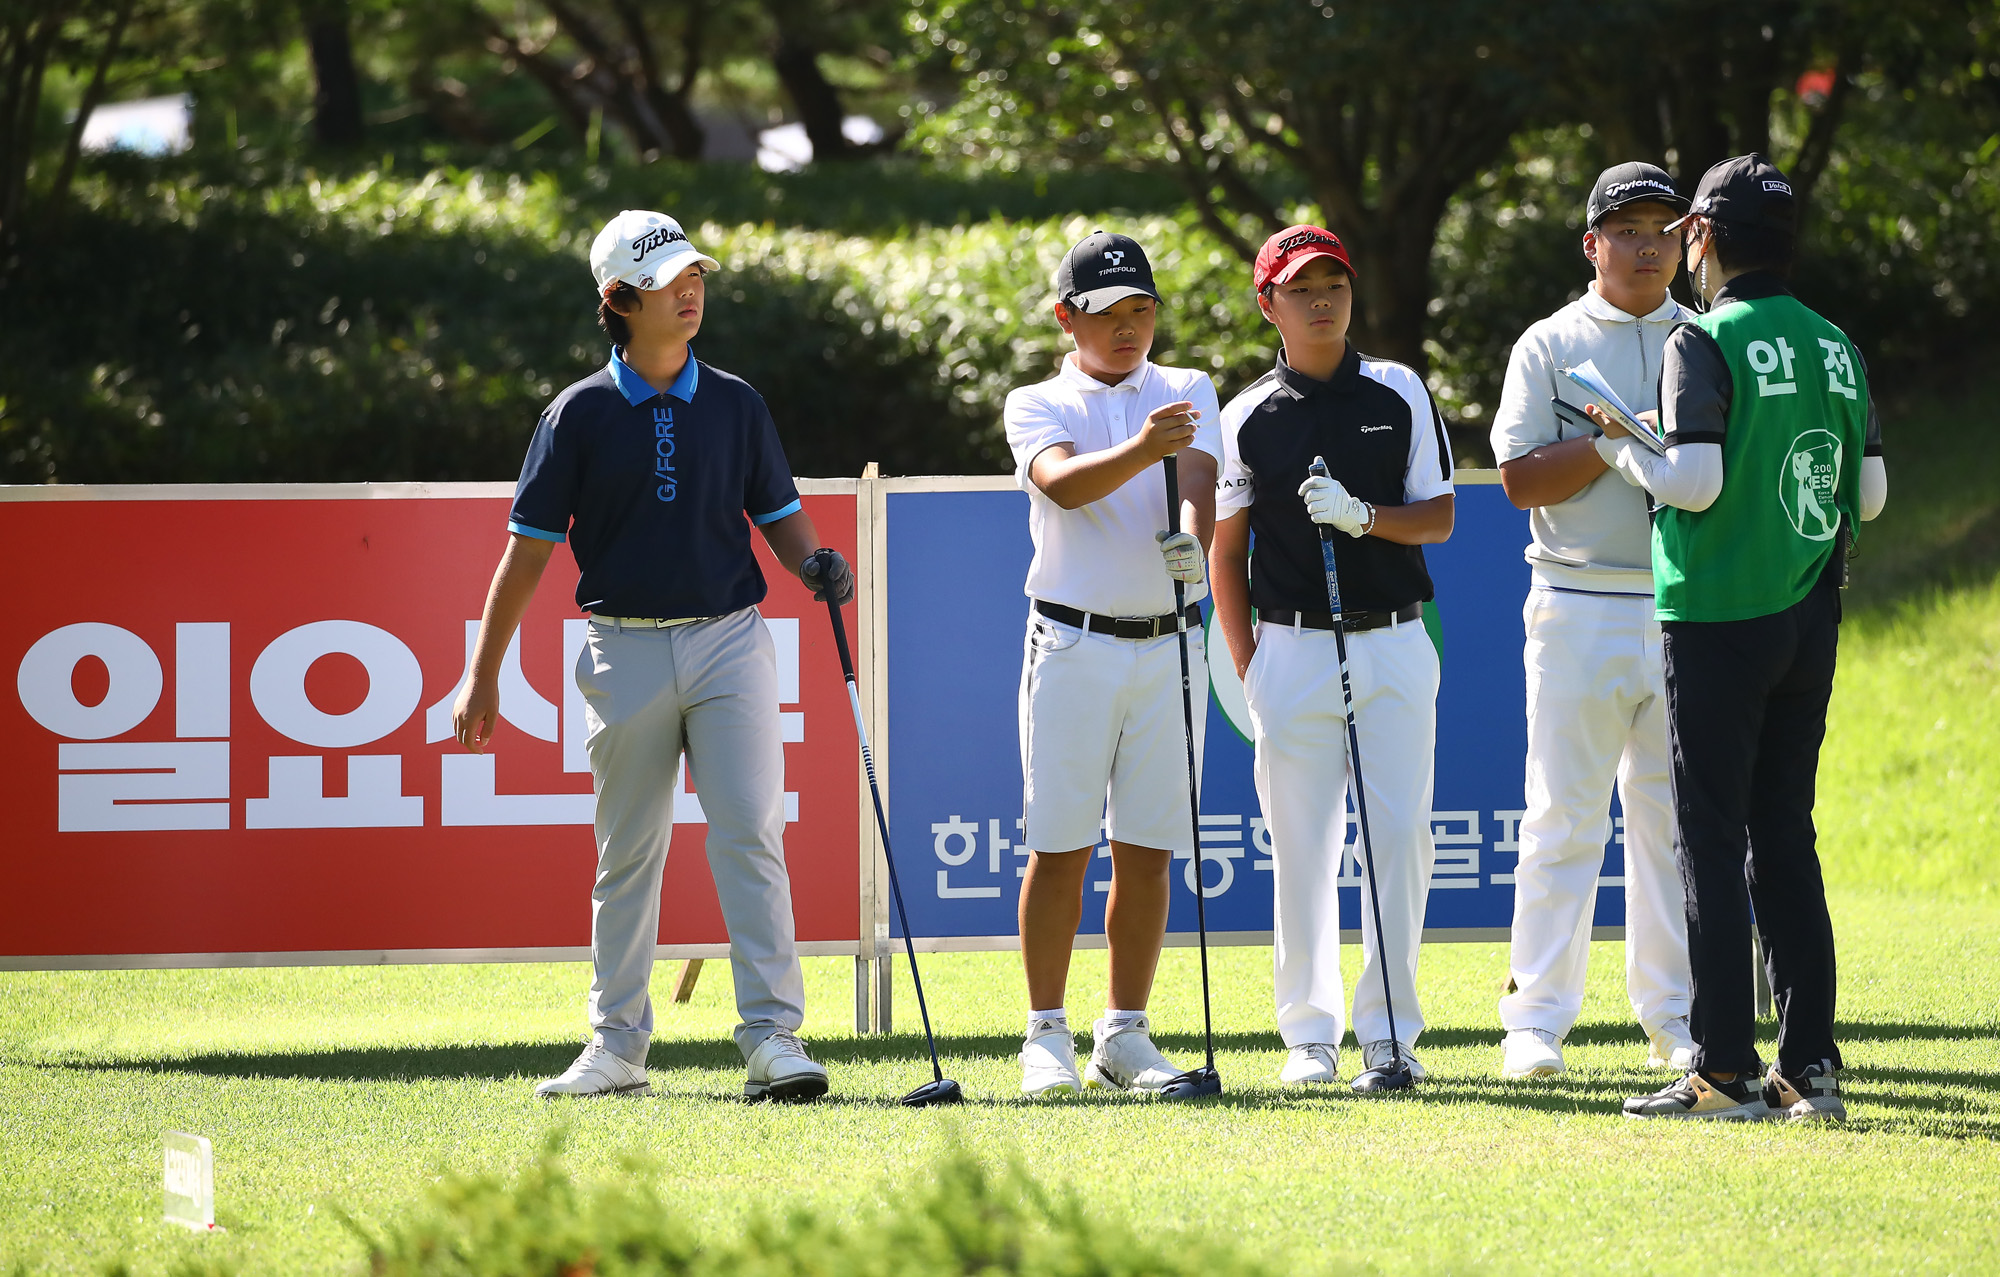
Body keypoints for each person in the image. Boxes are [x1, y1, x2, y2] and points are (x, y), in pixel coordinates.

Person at [452, 209, 854, 1103]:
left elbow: (779, 515)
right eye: (669, 278)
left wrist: (814, 562)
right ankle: (618, 1045)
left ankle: (772, 1039)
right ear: (618, 300)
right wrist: (482, 671)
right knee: (628, 850)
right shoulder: (578, 413)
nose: (690, 289)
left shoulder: (739, 401)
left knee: (751, 831)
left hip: (730, 643)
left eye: (695, 275)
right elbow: (526, 552)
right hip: (621, 648)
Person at [1591, 156, 1887, 1122]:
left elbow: (1698, 484)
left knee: (1711, 840)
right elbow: (1870, 496)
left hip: (1719, 614)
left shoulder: (1701, 338)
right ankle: (1811, 1069)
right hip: (1811, 611)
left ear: (1704, 237)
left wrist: (1622, 449)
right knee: (1786, 837)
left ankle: (1720, 1067)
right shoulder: (1838, 343)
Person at [1210, 225, 1455, 1091]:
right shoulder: (1244, 415)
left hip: (1393, 639)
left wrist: (1363, 517)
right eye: (1302, 286)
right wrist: (1251, 664)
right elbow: (1223, 552)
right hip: (1291, 648)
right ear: (1267, 302)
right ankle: (1309, 1036)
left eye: (1335, 284)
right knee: (1303, 847)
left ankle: (1389, 1032)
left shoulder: (1398, 390)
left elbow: (1439, 516)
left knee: (1398, 839)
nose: (1322, 300)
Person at [1489, 162, 1697, 1079]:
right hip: (1575, 600)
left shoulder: (1706, 335)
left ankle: (1675, 1019)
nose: (1647, 246)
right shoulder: (1548, 342)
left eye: (1664, 228)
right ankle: (1534, 1021)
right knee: (1563, 817)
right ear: (1593, 244)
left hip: (1686, 605)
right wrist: (1614, 438)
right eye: (1628, 230)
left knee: (1673, 825)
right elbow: (1520, 479)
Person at [1004, 230, 1222, 1098]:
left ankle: (1123, 1033)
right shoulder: (1035, 402)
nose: (1129, 328)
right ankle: (1045, 1033)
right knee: (1060, 845)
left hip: (1171, 641)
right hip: (1072, 642)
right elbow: (1059, 484)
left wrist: (1196, 547)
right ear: (1068, 318)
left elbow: (1200, 480)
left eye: (1142, 310)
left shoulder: (1186, 388)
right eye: (1107, 314)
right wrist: (1143, 446)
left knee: (1148, 848)